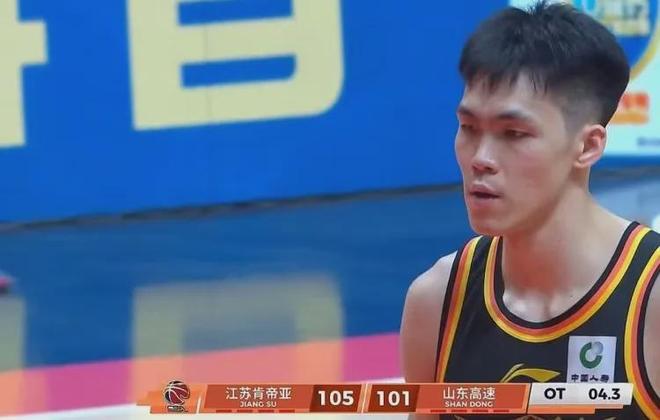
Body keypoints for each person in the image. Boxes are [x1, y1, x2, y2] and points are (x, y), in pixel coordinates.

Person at [399, 1, 659, 419]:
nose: (480, 158)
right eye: (468, 128)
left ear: (587, 146)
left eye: (514, 133)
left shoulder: (653, 298)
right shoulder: (436, 300)